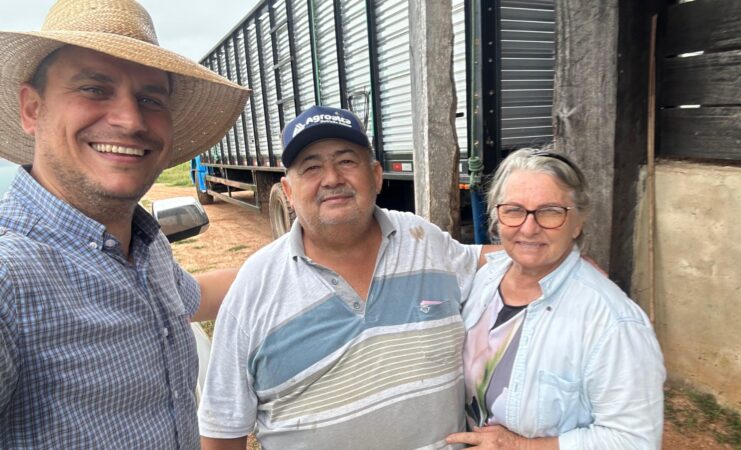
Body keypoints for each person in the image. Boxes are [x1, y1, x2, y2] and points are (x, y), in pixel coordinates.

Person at [0, 0, 250, 448]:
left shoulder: (145, 246)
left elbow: (195, 296)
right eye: (95, 89)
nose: (131, 120)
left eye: (151, 98)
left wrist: (303, 254)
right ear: (32, 109)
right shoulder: (9, 276)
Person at [199, 105, 493, 449]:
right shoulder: (254, 287)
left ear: (377, 175)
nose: (332, 178)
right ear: (288, 192)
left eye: (347, 161)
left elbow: (499, 259)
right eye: (311, 167)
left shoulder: (425, 242)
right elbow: (222, 430)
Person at [446, 147, 666, 449]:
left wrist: (520, 446)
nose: (529, 227)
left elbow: (634, 439)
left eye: (550, 211)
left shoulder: (614, 322)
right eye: (513, 210)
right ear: (496, 218)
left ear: (578, 222)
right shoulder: (484, 280)